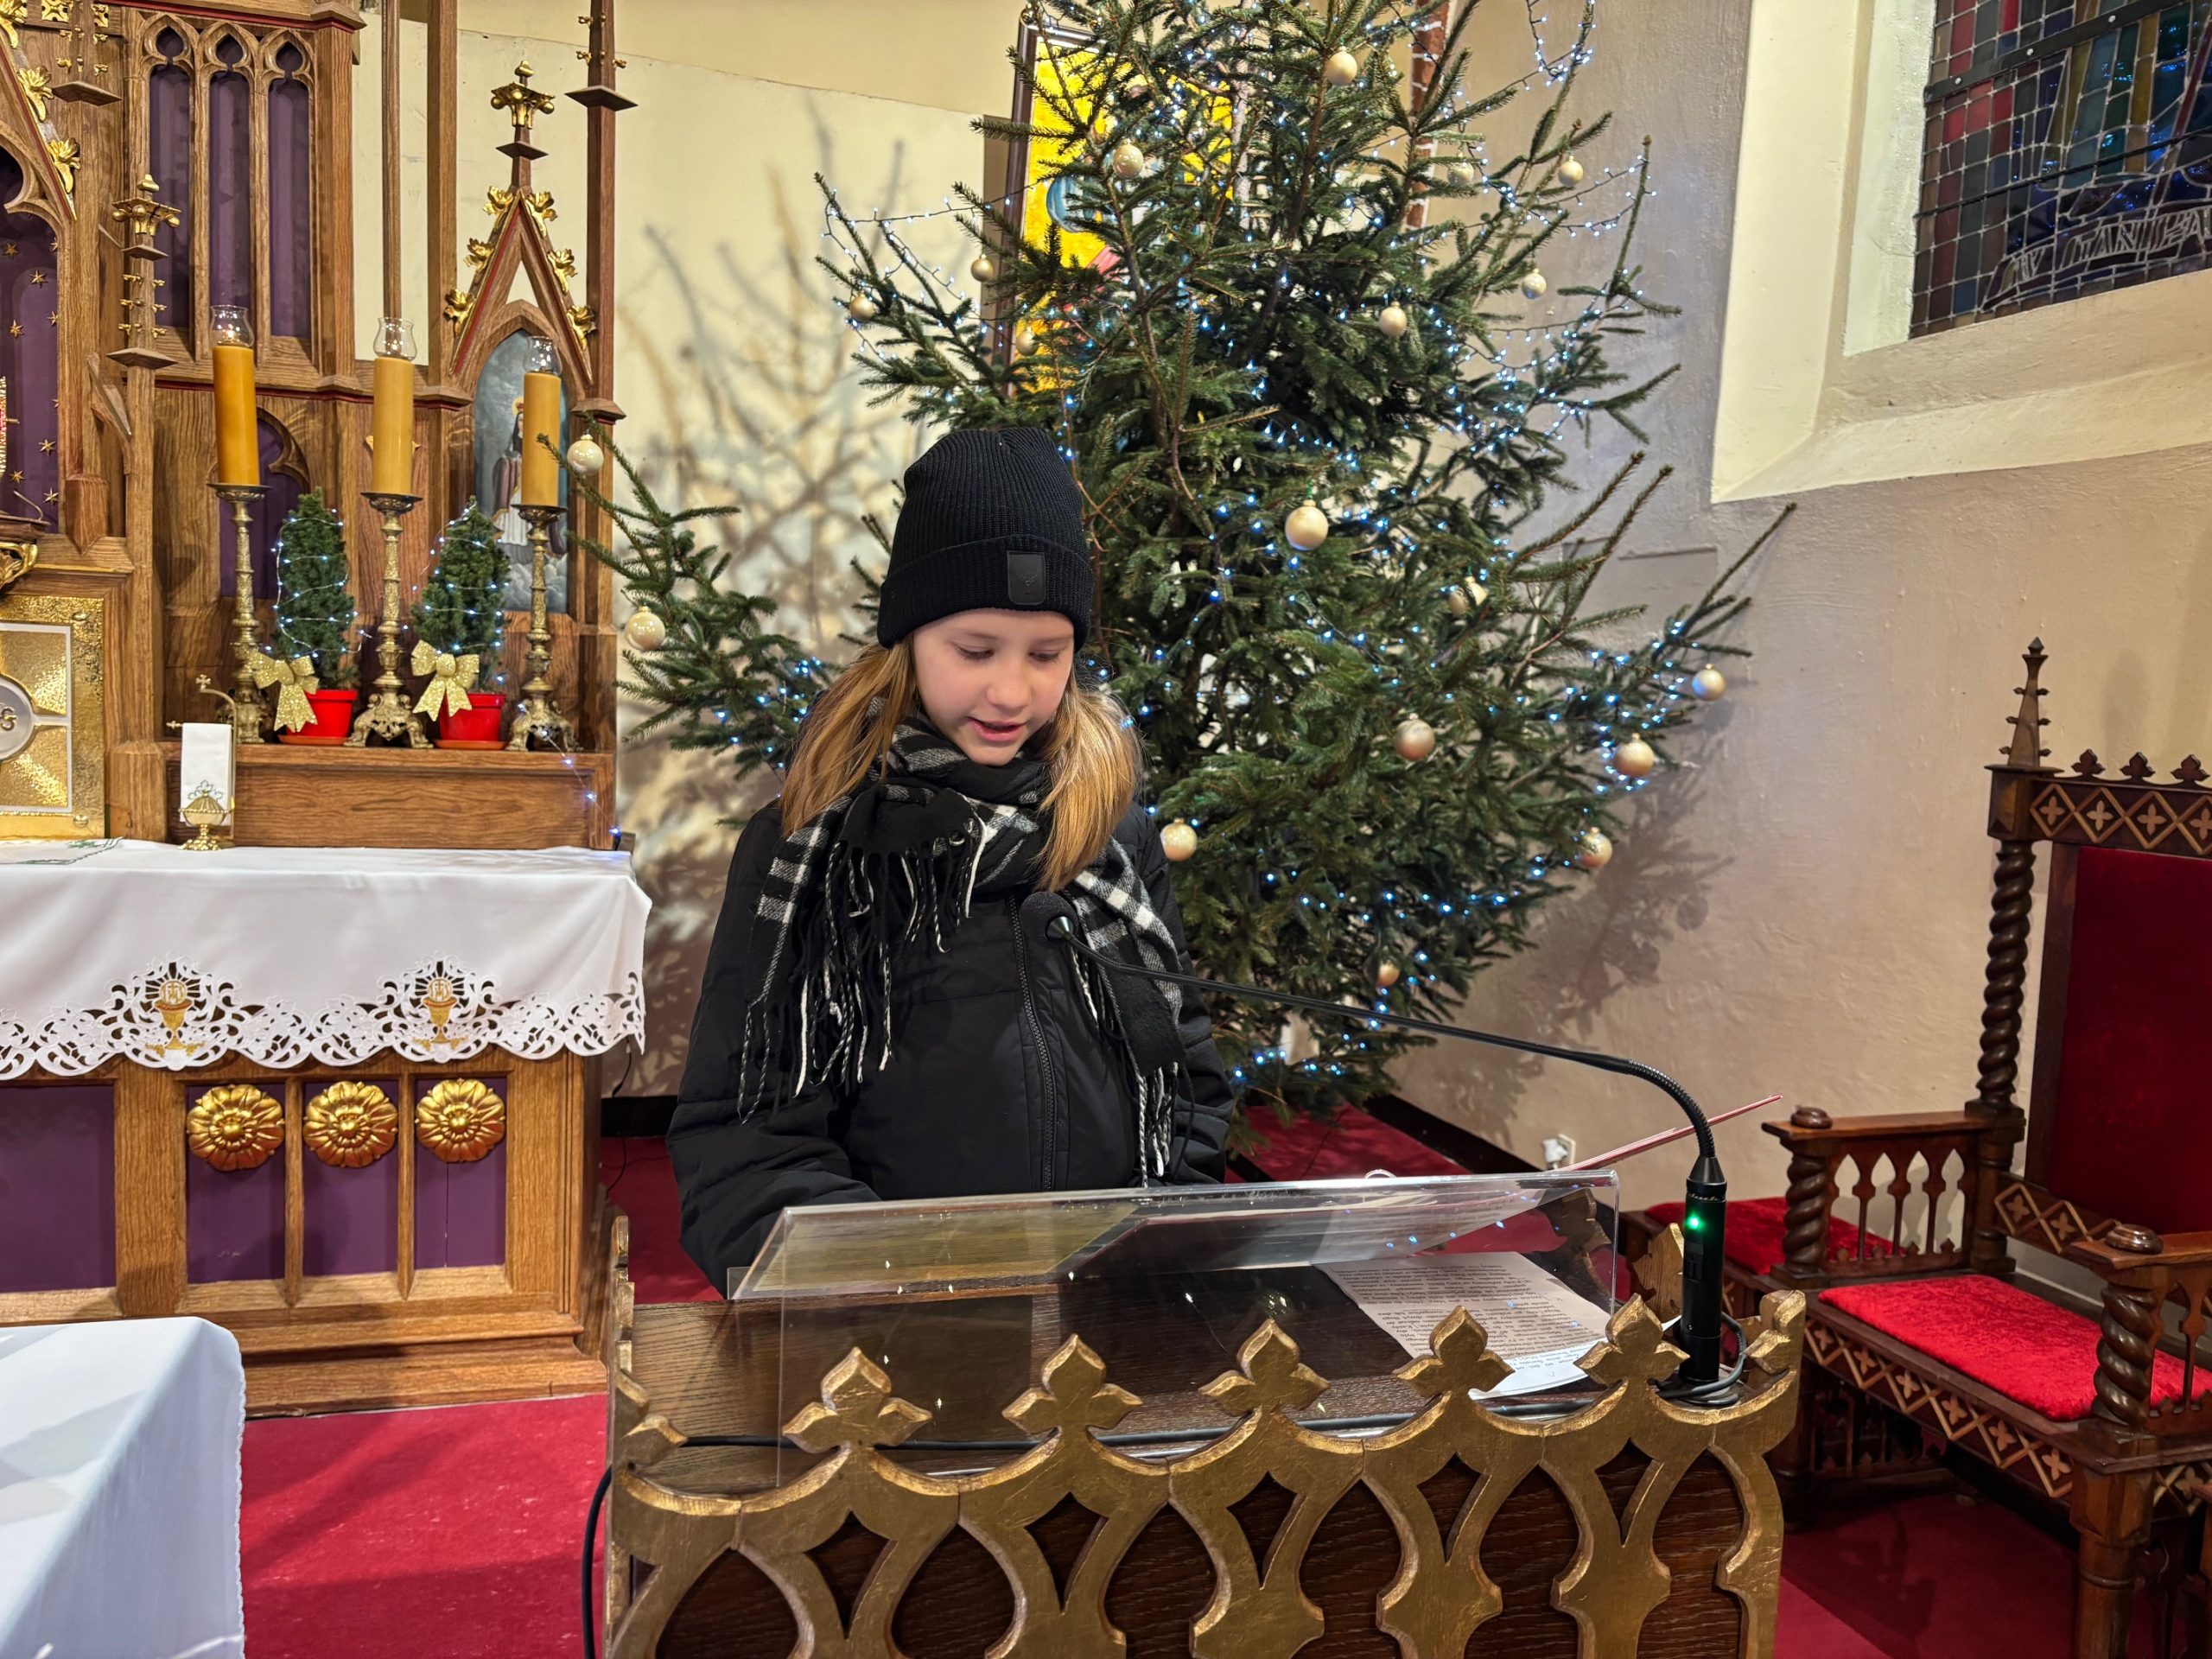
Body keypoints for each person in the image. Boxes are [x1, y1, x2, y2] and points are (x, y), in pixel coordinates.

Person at [671, 426, 1236, 1290]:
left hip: (1100, 1300)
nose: (1011, 692)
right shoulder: (812, 843)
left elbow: (1183, 1075)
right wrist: (885, 1285)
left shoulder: (1109, 833)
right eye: (975, 651)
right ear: (909, 641)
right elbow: (745, 1138)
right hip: (896, 1313)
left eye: (1047, 655)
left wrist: (1162, 1253)